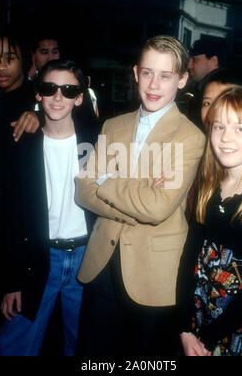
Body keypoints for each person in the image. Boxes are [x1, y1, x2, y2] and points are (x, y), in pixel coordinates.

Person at [75, 35, 205, 357]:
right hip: (101, 265)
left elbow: (157, 208)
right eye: (147, 73)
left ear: (182, 79)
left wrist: (105, 179)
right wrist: (138, 196)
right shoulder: (113, 125)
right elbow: (83, 191)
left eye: (165, 75)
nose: (154, 84)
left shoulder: (190, 136)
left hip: (153, 273)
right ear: (135, 74)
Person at [0, 59, 98, 356]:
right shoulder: (20, 143)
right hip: (37, 257)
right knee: (14, 346)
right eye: (49, 88)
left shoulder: (98, 139)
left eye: (68, 90)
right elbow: (10, 216)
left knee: (81, 345)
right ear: (38, 94)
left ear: (80, 97)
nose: (58, 97)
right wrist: (12, 280)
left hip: (87, 258)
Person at [176, 86, 242, 356]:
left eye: (240, 129)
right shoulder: (207, 186)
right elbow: (189, 256)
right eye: (219, 127)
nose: (225, 138)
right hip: (202, 315)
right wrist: (184, 327)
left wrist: (207, 339)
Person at [0, 28, 40, 352]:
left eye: (9, 58)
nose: (0, 66)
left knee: (13, 329)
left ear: (26, 60)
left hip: (20, 236)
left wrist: (41, 117)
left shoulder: (39, 101)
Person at [185, 38, 226, 132]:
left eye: (195, 60)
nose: (189, 66)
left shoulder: (216, 90)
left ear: (213, 61)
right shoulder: (201, 86)